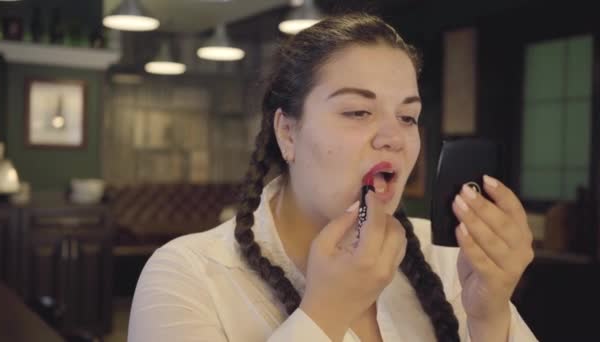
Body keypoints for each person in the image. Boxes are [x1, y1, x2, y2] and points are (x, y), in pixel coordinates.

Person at [127, 13, 538, 342]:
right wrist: (327, 310)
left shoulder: (449, 261)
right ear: (287, 131)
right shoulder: (189, 276)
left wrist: (489, 318)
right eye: (358, 112)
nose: (394, 137)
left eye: (408, 117)